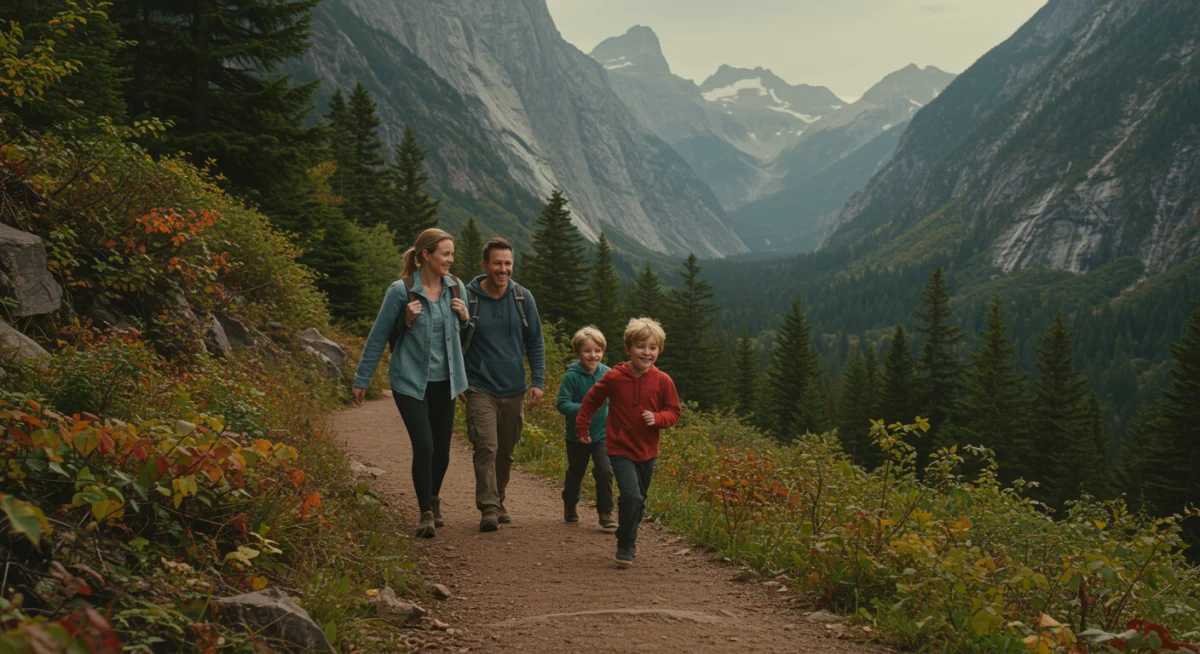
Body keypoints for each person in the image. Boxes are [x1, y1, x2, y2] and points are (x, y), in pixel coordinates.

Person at [352, 228, 469, 538]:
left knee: (442, 450)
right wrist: (362, 379)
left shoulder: (456, 288)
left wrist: (465, 319)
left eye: (452, 254)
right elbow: (378, 336)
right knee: (425, 446)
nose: (450, 260)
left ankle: (434, 496)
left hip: (446, 382)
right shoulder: (400, 291)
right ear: (426, 255)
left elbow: (465, 340)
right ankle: (425, 512)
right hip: (410, 381)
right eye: (445, 254)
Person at [575, 317, 680, 567]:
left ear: (659, 350)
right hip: (620, 447)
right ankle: (626, 544)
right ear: (628, 348)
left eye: (652, 347)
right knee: (631, 496)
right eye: (641, 346)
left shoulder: (663, 380)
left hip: (648, 450)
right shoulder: (614, 377)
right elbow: (591, 400)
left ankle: (626, 530)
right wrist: (582, 425)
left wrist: (658, 418)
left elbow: (674, 411)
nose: (647, 352)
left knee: (639, 500)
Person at [462, 237, 545, 532]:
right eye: (497, 263)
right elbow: (454, 341)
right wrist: (460, 381)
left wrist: (537, 381)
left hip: (514, 388)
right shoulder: (468, 298)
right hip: (479, 387)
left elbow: (535, 341)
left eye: (508, 263)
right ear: (485, 265)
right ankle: (488, 507)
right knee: (486, 445)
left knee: (506, 451)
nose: (503, 269)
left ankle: (499, 498)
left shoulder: (523, 297)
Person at [556, 326, 616, 529]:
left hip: (602, 433)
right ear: (578, 353)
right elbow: (562, 404)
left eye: (597, 351)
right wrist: (585, 408)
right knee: (576, 472)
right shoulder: (571, 376)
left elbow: (616, 400)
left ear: (603, 351)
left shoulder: (608, 374)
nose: (593, 355)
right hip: (576, 435)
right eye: (587, 351)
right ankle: (570, 504)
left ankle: (606, 512)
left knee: (605, 470)